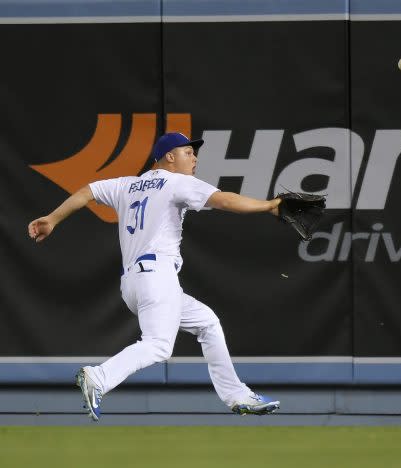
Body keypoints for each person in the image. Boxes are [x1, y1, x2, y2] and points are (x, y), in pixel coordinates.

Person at [28, 132, 283, 421]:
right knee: (158, 345)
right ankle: (98, 377)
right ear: (169, 157)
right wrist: (269, 205)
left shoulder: (127, 185)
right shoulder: (176, 182)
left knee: (208, 323)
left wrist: (52, 218)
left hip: (135, 284)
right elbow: (224, 200)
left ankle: (237, 395)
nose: (195, 157)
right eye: (188, 152)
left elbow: (87, 191)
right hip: (157, 276)